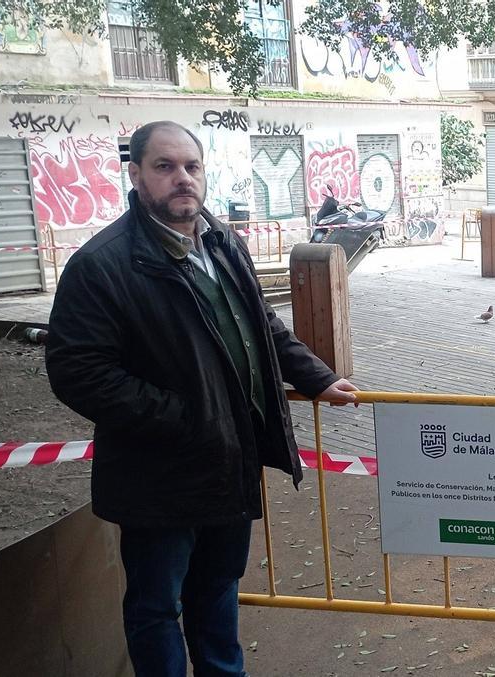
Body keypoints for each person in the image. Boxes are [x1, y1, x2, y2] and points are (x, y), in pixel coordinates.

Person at [45, 121, 359, 677]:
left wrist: (316, 377)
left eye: (191, 166)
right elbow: (78, 373)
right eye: (164, 167)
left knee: (217, 589)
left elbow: (261, 324)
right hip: (158, 476)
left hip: (228, 463)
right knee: (156, 607)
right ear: (136, 175)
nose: (182, 179)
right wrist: (185, 418)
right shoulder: (102, 265)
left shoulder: (222, 242)